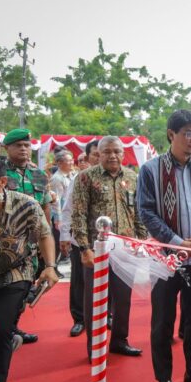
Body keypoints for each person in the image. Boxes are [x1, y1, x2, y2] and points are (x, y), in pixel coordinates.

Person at [138, 110, 191, 382]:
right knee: (162, 322)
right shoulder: (150, 169)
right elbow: (147, 212)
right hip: (165, 260)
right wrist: (176, 242)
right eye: (187, 133)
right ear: (171, 135)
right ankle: (163, 378)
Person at [0, 154, 58, 382]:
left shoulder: (26, 204)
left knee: (1, 328)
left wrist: (50, 267)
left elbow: (44, 235)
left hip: (16, 271)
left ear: (1, 182)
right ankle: (6, 342)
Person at [71, 136, 146, 361]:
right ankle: (95, 347)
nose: (112, 155)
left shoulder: (133, 177)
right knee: (95, 300)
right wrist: (84, 249)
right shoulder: (85, 177)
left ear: (123, 154)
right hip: (97, 249)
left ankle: (120, 341)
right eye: (107, 152)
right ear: (99, 154)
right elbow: (78, 214)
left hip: (126, 247)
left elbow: (139, 212)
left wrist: (141, 240)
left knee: (123, 298)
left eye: (117, 151)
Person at [2, 128, 52, 345]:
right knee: (5, 288)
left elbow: (46, 206)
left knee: (25, 287)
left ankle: (12, 327)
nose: (23, 149)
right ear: (7, 148)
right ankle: (1, 330)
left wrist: (47, 237)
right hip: (5, 241)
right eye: (18, 145)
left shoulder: (39, 175)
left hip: (32, 242)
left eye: (26, 145)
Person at [60, 140, 100, 338]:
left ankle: (106, 315)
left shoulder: (120, 178)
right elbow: (68, 208)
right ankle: (79, 319)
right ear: (88, 157)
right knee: (80, 281)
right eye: (96, 154)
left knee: (109, 280)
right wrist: (65, 236)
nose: (102, 157)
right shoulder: (80, 179)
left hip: (109, 242)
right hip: (82, 241)